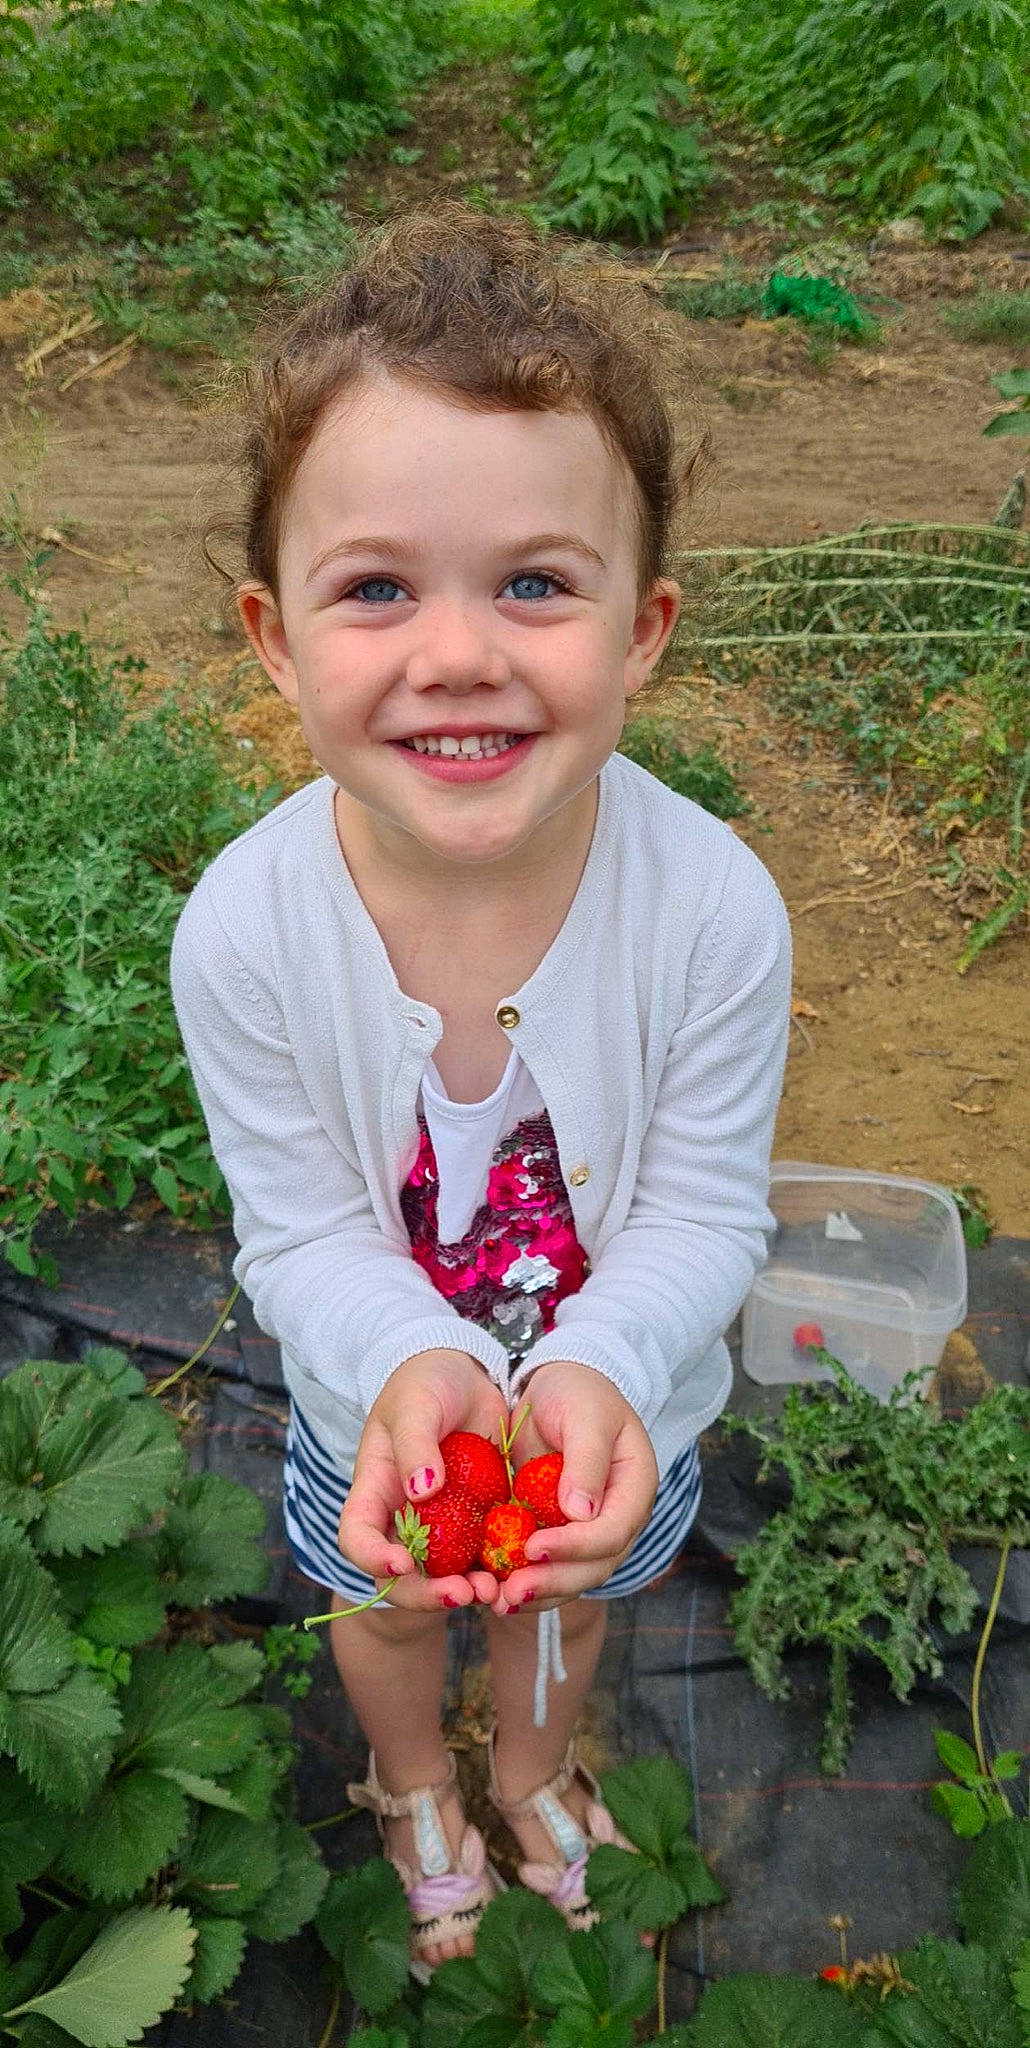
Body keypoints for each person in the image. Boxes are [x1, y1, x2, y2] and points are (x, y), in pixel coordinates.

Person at [170, 202, 791, 1978]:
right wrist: (412, 1365)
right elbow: (294, 1231)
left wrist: (598, 1363)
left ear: (644, 626)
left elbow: (699, 1211)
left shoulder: (713, 912)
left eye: (535, 581)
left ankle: (526, 1769)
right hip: (376, 1404)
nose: (456, 652)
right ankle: (403, 1778)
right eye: (375, 587)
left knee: (565, 1612)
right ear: (274, 636)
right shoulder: (245, 933)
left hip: (620, 1412)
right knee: (383, 1614)